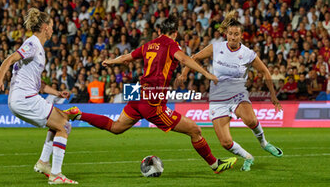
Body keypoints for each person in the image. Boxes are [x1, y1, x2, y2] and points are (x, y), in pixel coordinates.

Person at [65, 15, 237, 174]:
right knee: (195, 130)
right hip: (153, 104)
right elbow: (184, 59)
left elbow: (127, 58)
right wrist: (207, 74)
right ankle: (215, 165)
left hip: (139, 96)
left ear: (160, 31)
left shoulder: (149, 45)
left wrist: (111, 61)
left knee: (116, 127)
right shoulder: (171, 44)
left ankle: (79, 114)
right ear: (175, 32)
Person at [178, 10, 283, 172]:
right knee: (225, 143)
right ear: (226, 34)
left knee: (250, 121)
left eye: (236, 34)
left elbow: (265, 72)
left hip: (237, 93)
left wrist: (273, 96)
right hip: (218, 98)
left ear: (241, 36)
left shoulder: (247, 54)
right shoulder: (216, 47)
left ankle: (264, 143)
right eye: (231, 34)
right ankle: (248, 157)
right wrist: (184, 73)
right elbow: (195, 58)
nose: (233, 37)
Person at [0, 8, 77, 185]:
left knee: (60, 120)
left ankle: (44, 162)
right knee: (64, 126)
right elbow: (9, 59)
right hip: (25, 98)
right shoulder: (33, 44)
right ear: (45, 27)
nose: (53, 29)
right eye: (52, 26)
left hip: (25, 97)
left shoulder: (37, 48)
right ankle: (56, 174)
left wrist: (57, 93)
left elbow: (40, 83)